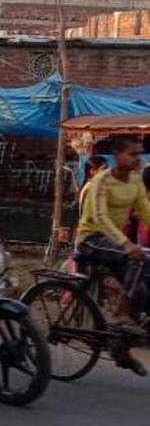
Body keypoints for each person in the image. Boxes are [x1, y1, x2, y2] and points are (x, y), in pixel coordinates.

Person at [74, 135, 150, 373]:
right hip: (91, 240)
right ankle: (119, 316)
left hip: (115, 245)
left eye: (140, 154)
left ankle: (121, 349)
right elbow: (100, 218)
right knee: (134, 257)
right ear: (117, 155)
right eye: (132, 154)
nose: (137, 159)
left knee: (141, 290)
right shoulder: (101, 181)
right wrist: (126, 244)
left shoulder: (136, 182)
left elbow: (145, 212)